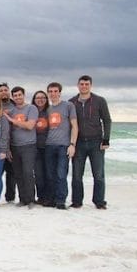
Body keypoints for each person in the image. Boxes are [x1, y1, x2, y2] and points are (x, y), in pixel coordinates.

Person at [69, 75, 111, 210]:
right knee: (76, 174)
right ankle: (76, 202)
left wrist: (106, 139)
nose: (84, 86)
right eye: (82, 84)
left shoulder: (99, 101)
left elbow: (107, 120)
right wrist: (70, 143)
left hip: (96, 142)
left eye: (87, 84)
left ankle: (99, 201)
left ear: (90, 85)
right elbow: (69, 124)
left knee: (98, 174)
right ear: (78, 85)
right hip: (79, 143)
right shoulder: (72, 102)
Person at [44, 82, 78, 210]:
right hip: (49, 145)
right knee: (50, 174)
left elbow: (75, 126)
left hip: (63, 146)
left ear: (59, 92)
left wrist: (72, 144)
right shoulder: (48, 109)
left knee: (61, 174)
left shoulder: (68, 106)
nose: (53, 94)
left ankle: (60, 200)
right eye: (50, 91)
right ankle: (52, 199)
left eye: (55, 91)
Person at [3, 86, 38, 207]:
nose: (18, 97)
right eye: (15, 95)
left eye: (19, 95)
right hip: (14, 146)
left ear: (24, 95)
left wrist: (12, 120)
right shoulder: (11, 111)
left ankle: (31, 200)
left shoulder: (31, 108)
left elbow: (30, 125)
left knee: (28, 172)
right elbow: (7, 132)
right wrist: (7, 149)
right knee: (18, 174)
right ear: (13, 97)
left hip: (29, 145)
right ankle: (23, 199)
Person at [0, 82, 16, 203]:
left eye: (6, 90)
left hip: (14, 143)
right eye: (1, 90)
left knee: (12, 173)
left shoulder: (16, 106)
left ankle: (10, 197)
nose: (4, 92)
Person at [32, 90, 49, 205]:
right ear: (34, 100)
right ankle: (41, 197)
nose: (40, 99)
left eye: (43, 97)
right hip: (35, 147)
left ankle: (49, 197)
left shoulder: (50, 111)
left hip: (48, 146)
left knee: (49, 173)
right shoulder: (32, 112)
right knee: (38, 174)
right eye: (37, 98)